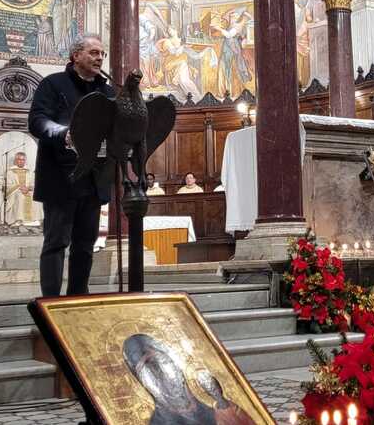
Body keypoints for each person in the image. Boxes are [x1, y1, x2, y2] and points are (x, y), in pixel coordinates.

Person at [28, 33, 115, 297]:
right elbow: (38, 120)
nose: (99, 58)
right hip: (60, 179)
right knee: (56, 242)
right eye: (93, 52)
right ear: (76, 55)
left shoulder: (108, 91)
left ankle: (78, 298)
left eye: (102, 54)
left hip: (93, 179)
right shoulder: (53, 84)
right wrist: (62, 132)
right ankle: (51, 303)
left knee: (85, 245)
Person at [122, 334, 255, 425]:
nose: (164, 374)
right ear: (144, 382)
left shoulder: (222, 408)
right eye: (152, 369)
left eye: (164, 363)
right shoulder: (159, 422)